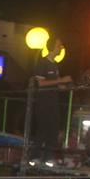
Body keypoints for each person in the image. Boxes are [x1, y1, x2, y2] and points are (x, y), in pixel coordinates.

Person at [31, 35, 72, 163]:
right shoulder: (42, 63)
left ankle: (48, 158)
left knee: (53, 129)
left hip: (53, 102)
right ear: (53, 47)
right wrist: (61, 80)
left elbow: (54, 83)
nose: (61, 48)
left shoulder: (54, 65)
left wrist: (64, 86)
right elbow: (41, 83)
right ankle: (35, 157)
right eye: (59, 45)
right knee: (43, 128)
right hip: (43, 102)